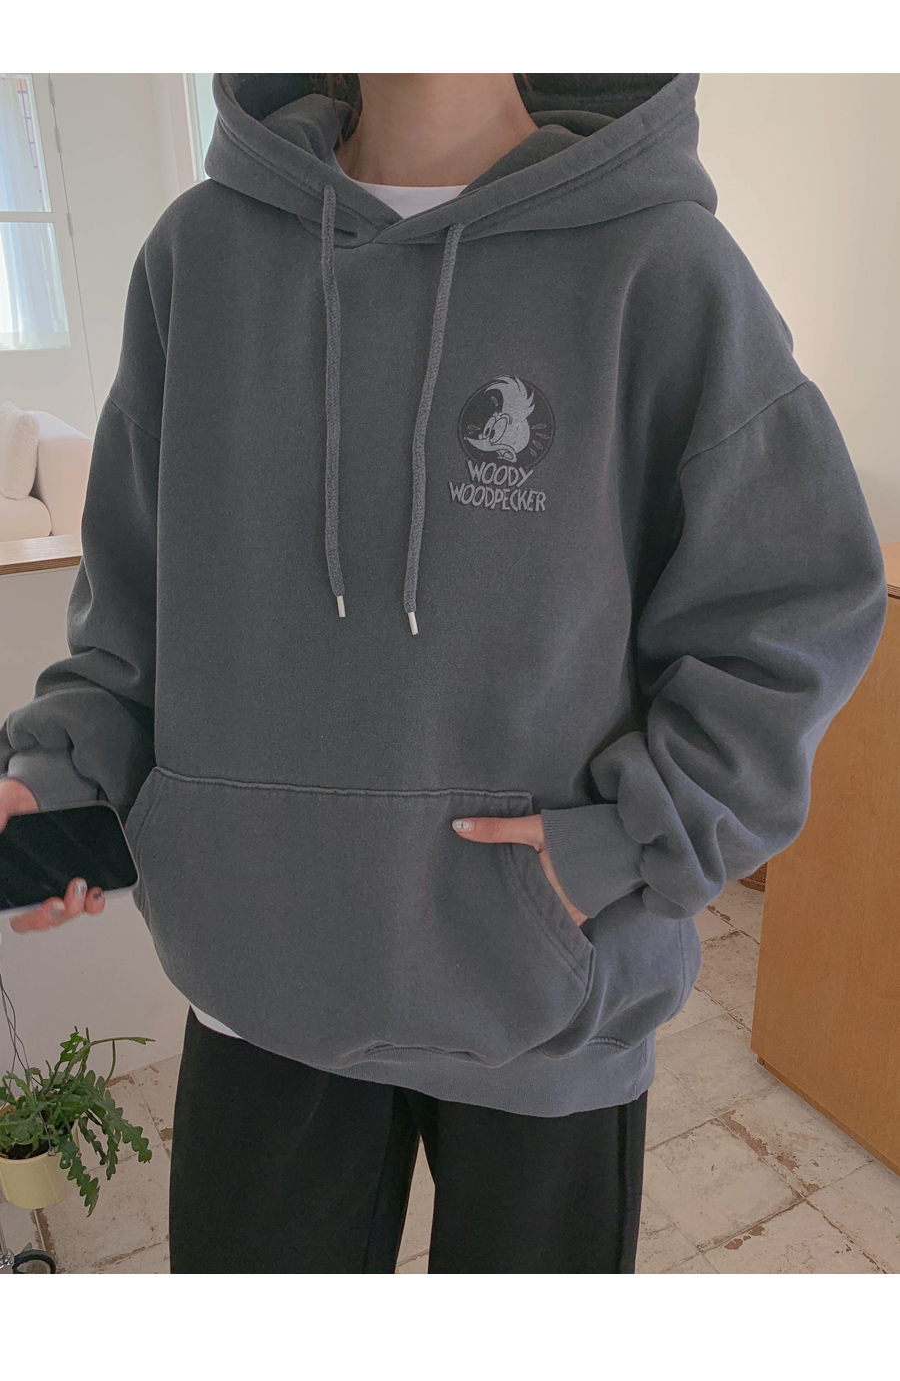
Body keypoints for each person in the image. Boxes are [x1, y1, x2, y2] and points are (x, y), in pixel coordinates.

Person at [0, 73, 887, 1273]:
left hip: (550, 1001)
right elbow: (133, 610)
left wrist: (632, 837)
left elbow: (796, 598)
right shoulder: (197, 257)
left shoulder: (661, 264)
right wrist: (68, 775)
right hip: (260, 982)